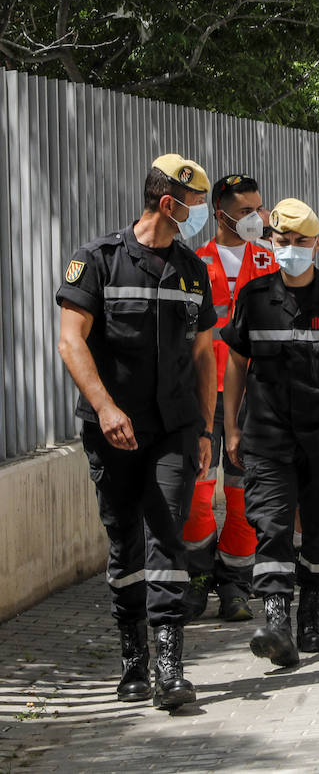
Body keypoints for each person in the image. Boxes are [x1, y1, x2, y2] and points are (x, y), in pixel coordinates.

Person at [56, 153, 218, 709]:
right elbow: (70, 341)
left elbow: (203, 354)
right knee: (125, 542)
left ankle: (171, 668)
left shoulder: (193, 270)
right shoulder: (97, 261)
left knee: (166, 535)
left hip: (174, 428)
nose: (201, 213)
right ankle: (133, 663)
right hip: (114, 429)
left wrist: (206, 429)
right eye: (195, 203)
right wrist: (104, 407)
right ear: (168, 203)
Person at [220, 198, 319, 667]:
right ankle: (276, 622)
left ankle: (310, 618)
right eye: (282, 241)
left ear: (317, 243)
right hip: (267, 436)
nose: (291, 249)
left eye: (300, 242)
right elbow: (235, 362)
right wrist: (231, 426)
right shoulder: (253, 298)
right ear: (272, 242)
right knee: (271, 526)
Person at [182, 174, 276, 623]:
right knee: (198, 498)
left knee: (242, 499)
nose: (256, 218)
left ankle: (235, 583)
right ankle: (198, 576)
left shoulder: (272, 261)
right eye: (245, 212)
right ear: (220, 214)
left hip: (254, 398)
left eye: (259, 209)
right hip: (203, 399)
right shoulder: (192, 262)